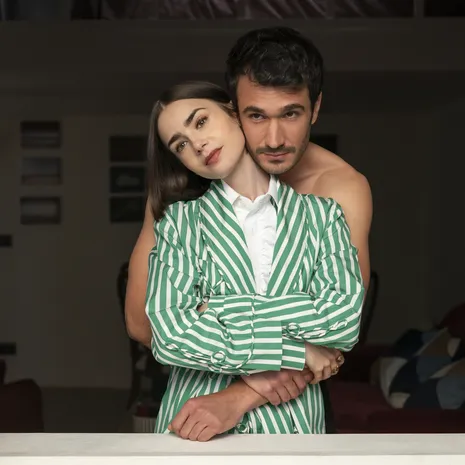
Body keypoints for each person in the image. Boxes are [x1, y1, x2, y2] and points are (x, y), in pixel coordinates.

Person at [125, 26, 372, 436]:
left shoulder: (337, 191)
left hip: (289, 417)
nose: (274, 139)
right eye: (256, 115)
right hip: (195, 416)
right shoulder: (181, 202)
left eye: (291, 113)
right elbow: (147, 324)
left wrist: (221, 320)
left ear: (315, 108)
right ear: (236, 111)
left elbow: (337, 330)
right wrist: (288, 344)